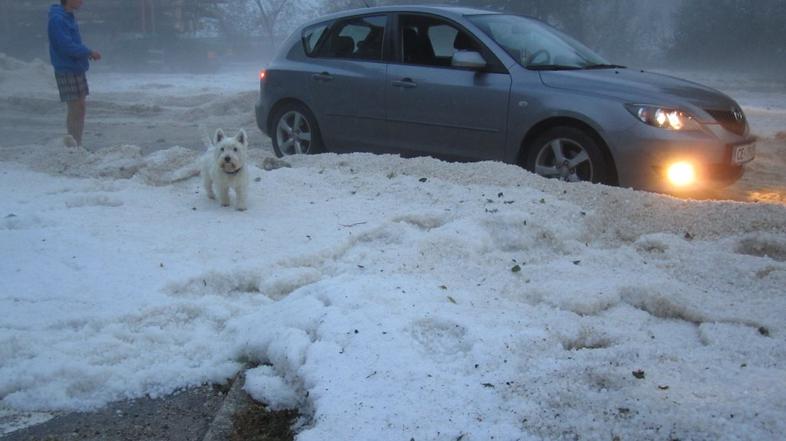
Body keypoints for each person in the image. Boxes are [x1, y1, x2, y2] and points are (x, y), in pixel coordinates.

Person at [47, 0, 101, 148]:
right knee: (75, 107)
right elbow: (66, 45)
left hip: (75, 66)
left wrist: (85, 53)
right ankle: (74, 146)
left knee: (80, 107)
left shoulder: (67, 16)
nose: (82, 1)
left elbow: (73, 42)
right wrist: (88, 52)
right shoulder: (57, 19)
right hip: (66, 67)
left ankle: (77, 144)